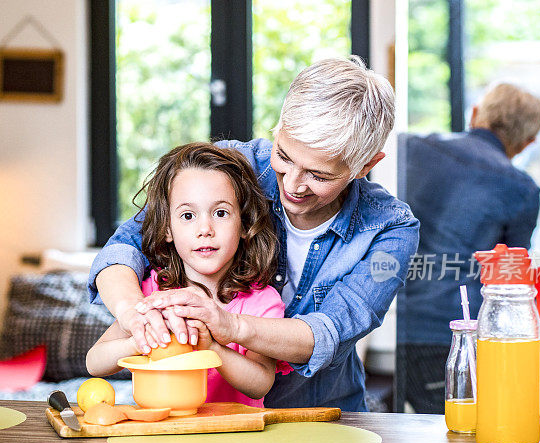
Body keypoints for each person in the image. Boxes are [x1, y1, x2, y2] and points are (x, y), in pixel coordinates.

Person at [88, 56, 420, 411]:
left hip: (319, 411)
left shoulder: (391, 228)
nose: (293, 185)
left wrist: (226, 327)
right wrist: (135, 316)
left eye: (319, 175)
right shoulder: (231, 167)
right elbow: (126, 246)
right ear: (278, 129)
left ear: (366, 165)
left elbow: (330, 331)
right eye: (284, 155)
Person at [86, 142, 290, 407]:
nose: (205, 228)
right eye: (187, 215)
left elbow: (260, 383)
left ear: (244, 224)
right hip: (160, 433)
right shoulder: (152, 294)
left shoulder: (261, 302)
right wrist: (140, 338)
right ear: (167, 229)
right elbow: (94, 362)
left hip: (231, 439)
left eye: (220, 213)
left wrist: (213, 348)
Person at [398, 82, 540, 413]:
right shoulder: (522, 189)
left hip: (379, 325)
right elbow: (510, 278)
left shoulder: (407, 147)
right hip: (450, 336)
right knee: (457, 442)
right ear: (526, 143)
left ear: (476, 113)